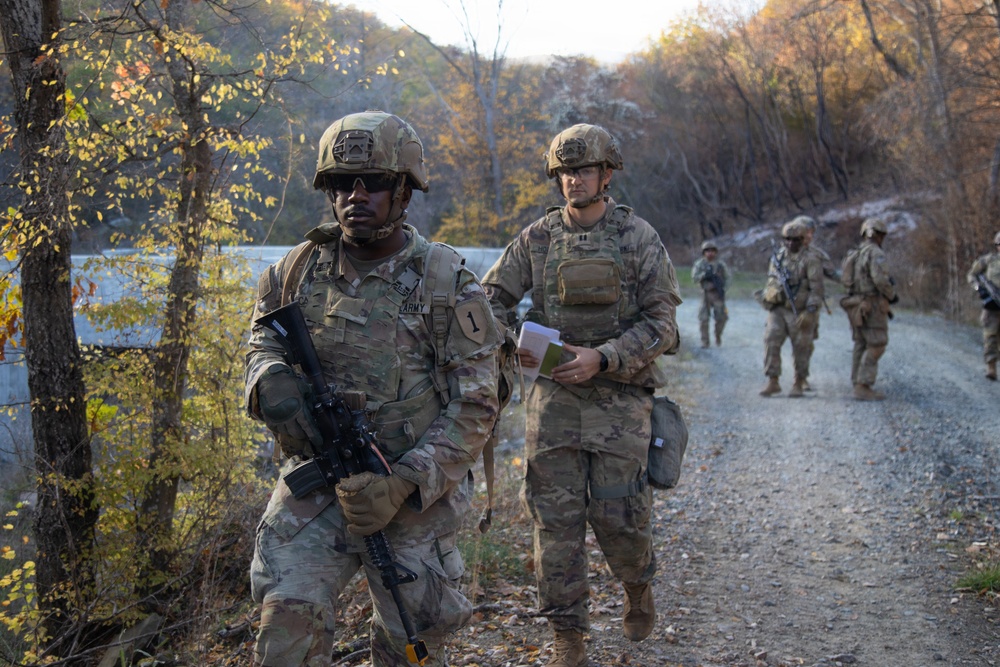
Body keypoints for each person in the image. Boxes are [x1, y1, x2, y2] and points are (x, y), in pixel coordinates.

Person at [245, 111, 502, 667]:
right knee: (285, 630)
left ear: (404, 189)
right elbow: (261, 342)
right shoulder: (295, 271)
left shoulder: (445, 283)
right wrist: (269, 380)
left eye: (375, 183)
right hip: (317, 483)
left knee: (412, 646)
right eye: (341, 184)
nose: (355, 197)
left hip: (409, 494)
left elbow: (478, 402)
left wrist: (404, 483)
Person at [482, 124, 682, 667]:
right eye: (566, 171)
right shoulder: (538, 239)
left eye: (584, 169)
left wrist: (605, 356)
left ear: (606, 174)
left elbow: (663, 325)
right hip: (554, 407)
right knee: (555, 523)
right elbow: (487, 304)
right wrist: (512, 344)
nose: (574, 179)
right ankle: (568, 635)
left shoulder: (637, 237)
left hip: (619, 403)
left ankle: (637, 586)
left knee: (621, 517)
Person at [758, 219, 825, 398]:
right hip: (778, 309)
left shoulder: (811, 259)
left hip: (799, 309)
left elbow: (817, 288)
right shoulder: (778, 257)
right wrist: (771, 293)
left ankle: (798, 381)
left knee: (801, 346)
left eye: (795, 240)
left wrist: (810, 310)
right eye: (787, 239)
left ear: (803, 240)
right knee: (771, 339)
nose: (790, 243)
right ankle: (773, 380)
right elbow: (771, 279)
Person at [840, 217, 896, 400]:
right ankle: (863, 385)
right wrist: (891, 295)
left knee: (860, 343)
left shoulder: (855, 253)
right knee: (877, 344)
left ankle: (856, 381)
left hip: (856, 304)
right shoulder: (876, 253)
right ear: (879, 235)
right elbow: (880, 280)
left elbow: (846, 280)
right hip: (872, 305)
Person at [797, 215, 838, 390]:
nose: (808, 235)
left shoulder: (818, 255)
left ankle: (801, 377)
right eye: (805, 231)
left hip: (810, 306)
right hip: (787, 306)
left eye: (810, 231)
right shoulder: (784, 253)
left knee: (806, 342)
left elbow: (834, 275)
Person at [965, 231, 1000, 380]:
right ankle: (991, 368)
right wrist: (979, 288)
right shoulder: (988, 260)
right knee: (990, 337)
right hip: (992, 307)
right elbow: (972, 275)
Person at [691, 240, 729, 347]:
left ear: (716, 252)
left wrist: (723, 289)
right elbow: (694, 278)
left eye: (712, 251)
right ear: (704, 252)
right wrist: (704, 275)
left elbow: (727, 278)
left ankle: (718, 335)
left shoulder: (720, 265)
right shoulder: (700, 264)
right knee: (703, 319)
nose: (710, 253)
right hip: (705, 294)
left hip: (717, 294)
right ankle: (705, 341)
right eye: (707, 251)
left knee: (722, 318)